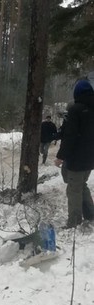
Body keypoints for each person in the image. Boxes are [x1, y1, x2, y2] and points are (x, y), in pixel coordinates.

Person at [55, 79, 94, 228]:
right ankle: (90, 214)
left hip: (77, 158)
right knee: (81, 185)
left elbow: (70, 136)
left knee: (73, 189)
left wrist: (60, 156)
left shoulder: (75, 110)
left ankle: (74, 221)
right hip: (90, 157)